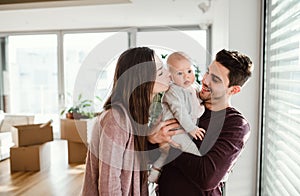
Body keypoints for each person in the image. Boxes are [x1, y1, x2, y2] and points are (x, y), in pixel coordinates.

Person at [148, 49, 253, 195]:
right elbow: (148, 154)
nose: (205, 80)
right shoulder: (187, 99)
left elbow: (207, 177)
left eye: (215, 79)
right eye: (208, 72)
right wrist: (152, 138)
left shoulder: (235, 125)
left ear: (234, 90)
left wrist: (168, 149)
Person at [81, 47, 181, 196]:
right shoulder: (116, 119)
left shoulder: (136, 115)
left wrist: (151, 139)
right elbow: (109, 184)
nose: (169, 75)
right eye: (161, 72)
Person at [148, 52, 205, 183]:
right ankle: (199, 174)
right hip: (173, 129)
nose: (186, 76)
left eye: (189, 71)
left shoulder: (193, 87)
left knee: (166, 152)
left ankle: (155, 172)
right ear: (171, 77)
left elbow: (195, 104)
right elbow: (180, 112)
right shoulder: (173, 91)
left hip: (182, 128)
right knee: (192, 150)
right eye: (180, 73)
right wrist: (191, 128)